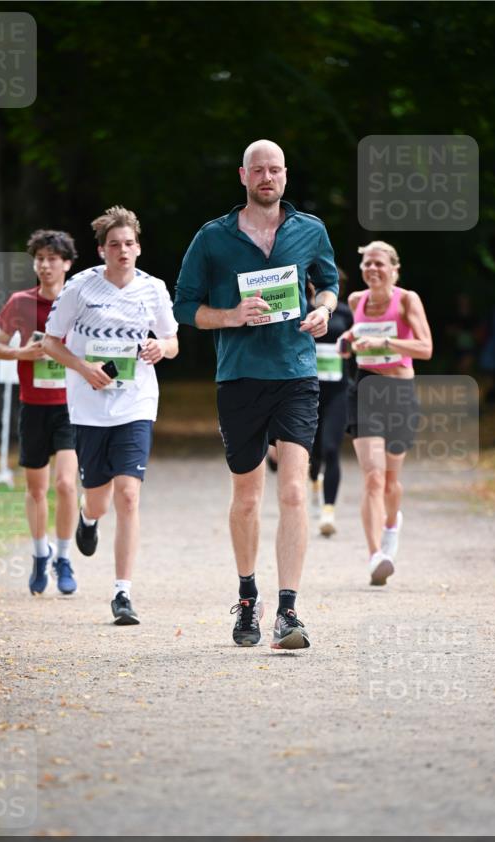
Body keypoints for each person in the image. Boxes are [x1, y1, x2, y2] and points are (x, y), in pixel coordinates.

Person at [173, 139, 339, 650]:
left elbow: (328, 283)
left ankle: (289, 612)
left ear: (285, 175)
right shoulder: (213, 237)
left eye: (275, 169)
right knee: (247, 498)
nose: (267, 177)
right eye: (258, 170)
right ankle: (248, 597)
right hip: (240, 376)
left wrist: (324, 311)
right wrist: (230, 317)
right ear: (243, 176)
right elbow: (184, 307)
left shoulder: (309, 229)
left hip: (296, 373)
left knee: (292, 491)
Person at [43, 205, 179, 625]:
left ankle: (122, 593)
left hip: (136, 402)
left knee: (129, 494)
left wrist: (161, 348)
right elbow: (50, 343)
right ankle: (87, 518)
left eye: (130, 244)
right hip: (88, 405)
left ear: (138, 247)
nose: (123, 250)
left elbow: (173, 340)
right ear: (101, 250)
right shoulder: (81, 288)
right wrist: (83, 368)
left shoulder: (152, 288)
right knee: (100, 500)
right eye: (115, 245)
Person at [0, 230, 80, 595]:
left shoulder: (78, 300)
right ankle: (40, 554)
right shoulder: (20, 302)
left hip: (71, 406)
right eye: (40, 258)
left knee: (65, 483)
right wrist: (22, 354)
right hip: (33, 406)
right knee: (37, 487)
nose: (45, 265)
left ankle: (63, 557)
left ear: (67, 264)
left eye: (53, 259)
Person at [344, 241, 432, 585]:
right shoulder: (356, 301)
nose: (372, 269)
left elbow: (425, 348)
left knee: (391, 481)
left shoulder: (407, 300)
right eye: (367, 264)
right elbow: (350, 343)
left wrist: (385, 343)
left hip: (399, 392)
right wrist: (350, 342)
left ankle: (392, 524)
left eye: (379, 263)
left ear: (394, 269)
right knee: (373, 477)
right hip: (364, 389)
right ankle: (375, 555)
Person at [308, 271, 353, 536]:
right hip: (307, 391)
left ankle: (328, 511)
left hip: (338, 391)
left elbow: (357, 348)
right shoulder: (301, 310)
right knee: (313, 452)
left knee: (331, 448)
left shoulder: (346, 313)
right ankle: (315, 483)